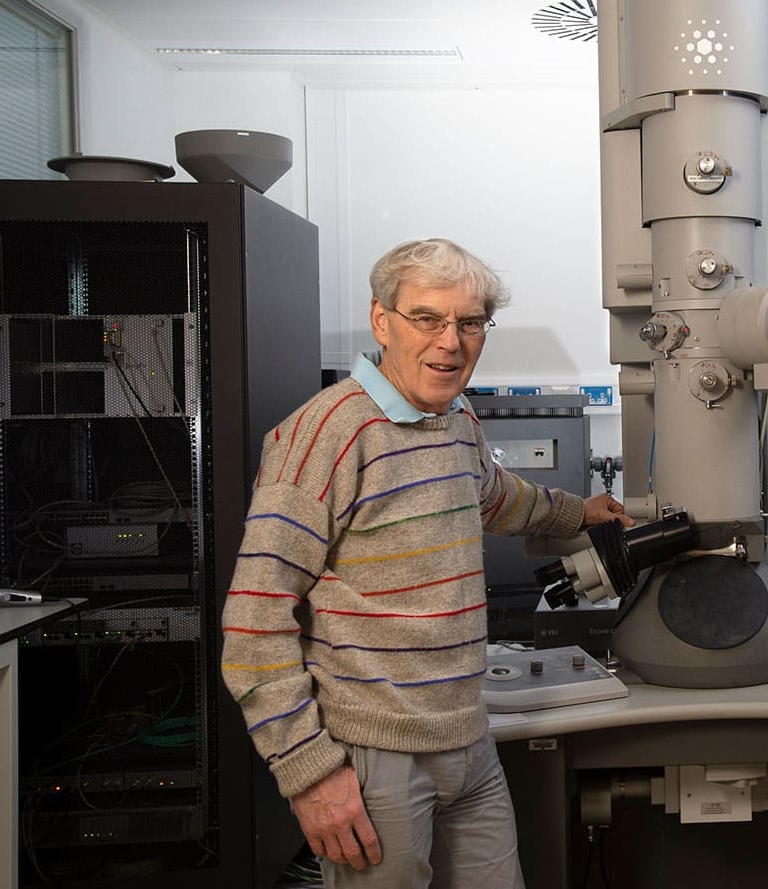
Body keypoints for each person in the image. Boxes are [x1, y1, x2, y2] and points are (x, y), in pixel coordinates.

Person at [221, 238, 632, 888]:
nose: (451, 342)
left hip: (467, 740)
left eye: (470, 323)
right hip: (375, 754)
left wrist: (579, 513)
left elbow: (493, 495)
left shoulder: (455, 416)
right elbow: (253, 623)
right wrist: (310, 775)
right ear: (381, 320)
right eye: (427, 318)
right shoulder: (328, 434)